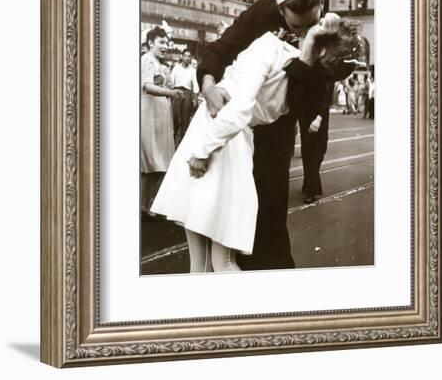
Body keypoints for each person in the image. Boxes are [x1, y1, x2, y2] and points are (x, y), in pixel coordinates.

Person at [151, 15, 360, 272]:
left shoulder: (273, 49)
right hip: (228, 139)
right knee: (213, 261)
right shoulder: (304, 77)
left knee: (214, 262)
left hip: (218, 137)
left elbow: (238, 109)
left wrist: (202, 150)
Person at [195, 0, 327, 270]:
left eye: (310, 24)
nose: (303, 33)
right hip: (238, 132)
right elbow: (221, 47)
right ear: (281, 9)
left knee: (269, 216)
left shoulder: (323, 32)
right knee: (229, 217)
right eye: (297, 27)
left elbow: (309, 97)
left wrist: (307, 54)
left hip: (276, 134)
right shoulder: (261, 14)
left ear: (321, 4)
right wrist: (208, 84)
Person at [290, 22, 360, 204]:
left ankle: (308, 182)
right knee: (309, 151)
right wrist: (314, 117)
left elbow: (327, 92)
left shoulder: (329, 66)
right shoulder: (312, 65)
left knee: (321, 149)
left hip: (321, 115)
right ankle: (312, 189)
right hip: (309, 114)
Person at [141, 27, 182, 219]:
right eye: (161, 42)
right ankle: (144, 205)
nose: (165, 46)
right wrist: (170, 93)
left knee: (159, 162)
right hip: (150, 115)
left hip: (159, 116)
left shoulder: (159, 63)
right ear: (151, 43)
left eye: (167, 43)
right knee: (151, 161)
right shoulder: (147, 59)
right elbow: (147, 85)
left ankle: (148, 203)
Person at [170, 49, 200, 146]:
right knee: (175, 118)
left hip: (187, 94)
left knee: (185, 119)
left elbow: (195, 85)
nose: (187, 58)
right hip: (176, 92)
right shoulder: (176, 68)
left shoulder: (192, 70)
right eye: (185, 56)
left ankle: (181, 145)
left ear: (190, 58)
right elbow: (171, 81)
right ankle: (171, 142)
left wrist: (195, 98)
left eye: (189, 56)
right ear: (182, 57)